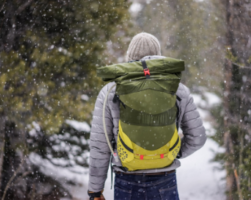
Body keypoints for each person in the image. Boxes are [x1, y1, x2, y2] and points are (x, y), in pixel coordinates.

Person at [87, 32, 207, 200]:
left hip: (126, 181)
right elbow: (198, 137)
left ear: (129, 57)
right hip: (165, 181)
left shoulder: (110, 91)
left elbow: (100, 147)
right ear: (158, 56)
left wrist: (95, 191)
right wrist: (171, 152)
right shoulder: (177, 89)